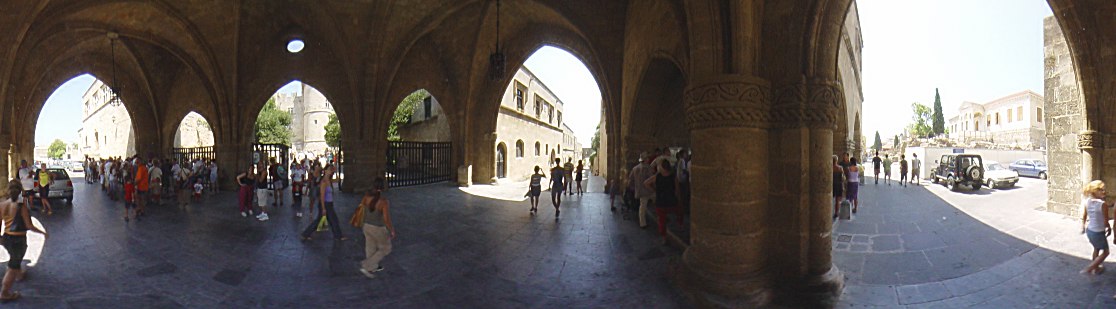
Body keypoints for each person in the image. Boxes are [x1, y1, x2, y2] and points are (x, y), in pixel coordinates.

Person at [0, 179, 47, 302]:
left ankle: (19, 273)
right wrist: (43, 233)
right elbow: (29, 226)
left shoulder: (2, 205)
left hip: (7, 238)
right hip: (18, 239)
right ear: (20, 191)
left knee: (14, 258)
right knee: (12, 266)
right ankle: (4, 292)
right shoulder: (22, 207)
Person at [359, 178, 395, 279]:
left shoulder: (366, 197)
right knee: (386, 248)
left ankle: (372, 267)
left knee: (370, 246)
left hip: (366, 226)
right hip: (378, 227)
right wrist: (391, 230)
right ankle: (367, 265)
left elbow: (362, 208)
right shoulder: (383, 202)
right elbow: (386, 219)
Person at [644, 160, 683, 245]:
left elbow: (646, 183)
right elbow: (677, 190)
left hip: (660, 201)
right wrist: (679, 200)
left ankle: (664, 238)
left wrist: (655, 190)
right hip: (672, 200)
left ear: (662, 167)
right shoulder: (673, 177)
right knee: (679, 212)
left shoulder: (657, 176)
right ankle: (680, 226)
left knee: (662, 221)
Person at [302, 164, 345, 240]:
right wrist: (323, 208)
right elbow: (322, 196)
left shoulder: (329, 180)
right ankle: (338, 236)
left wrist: (335, 172)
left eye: (331, 170)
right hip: (325, 203)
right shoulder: (324, 182)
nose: (330, 171)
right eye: (329, 170)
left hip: (329, 203)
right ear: (325, 171)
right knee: (332, 220)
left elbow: (338, 180)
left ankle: (306, 233)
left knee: (330, 220)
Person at [1080, 180, 1110, 275]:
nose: (1104, 192)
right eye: (1101, 190)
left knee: (1096, 248)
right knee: (1106, 252)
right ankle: (1091, 267)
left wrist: (1083, 226)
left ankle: (1095, 268)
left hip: (1090, 231)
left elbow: (1084, 215)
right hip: (1098, 232)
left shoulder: (1087, 201)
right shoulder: (1103, 204)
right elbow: (1106, 221)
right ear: (1094, 191)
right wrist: (1109, 228)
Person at [629, 153, 656, 228]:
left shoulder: (635, 168)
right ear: (645, 159)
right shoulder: (648, 168)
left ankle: (642, 223)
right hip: (649, 190)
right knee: (656, 201)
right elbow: (652, 179)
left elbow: (631, 179)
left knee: (642, 207)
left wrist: (633, 187)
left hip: (640, 190)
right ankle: (658, 216)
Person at [832, 155, 845, 220]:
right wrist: (843, 186)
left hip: (831, 184)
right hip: (838, 184)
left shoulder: (830, 167)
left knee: (830, 199)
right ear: (836, 160)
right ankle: (836, 213)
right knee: (837, 200)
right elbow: (842, 178)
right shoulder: (840, 168)